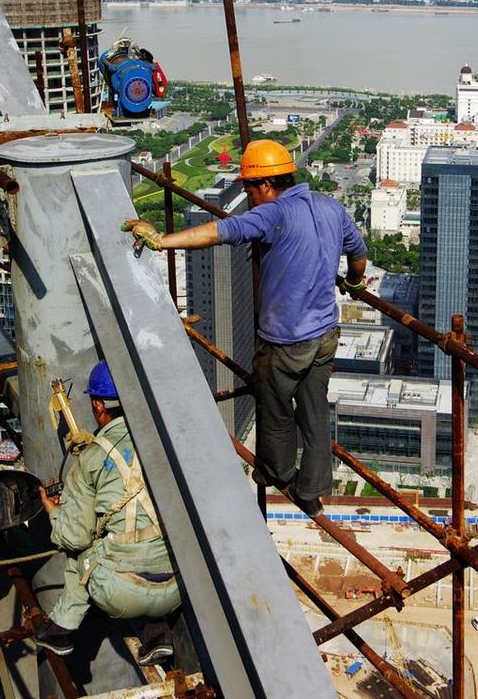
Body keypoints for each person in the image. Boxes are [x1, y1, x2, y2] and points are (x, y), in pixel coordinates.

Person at [123, 139, 367, 518]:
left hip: (286, 341)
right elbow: (358, 254)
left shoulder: (273, 214)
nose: (249, 196)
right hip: (325, 334)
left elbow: (217, 233)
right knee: (315, 412)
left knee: (275, 408)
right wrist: (352, 283)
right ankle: (312, 490)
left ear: (266, 186)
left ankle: (277, 471)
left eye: (249, 189)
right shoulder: (329, 205)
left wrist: (161, 241)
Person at [35, 360, 180, 663]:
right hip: (179, 586)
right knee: (147, 546)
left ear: (99, 405)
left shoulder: (92, 457)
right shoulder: (167, 440)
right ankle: (157, 633)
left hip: (121, 595)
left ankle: (62, 629)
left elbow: (74, 537)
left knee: (83, 551)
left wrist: (54, 512)